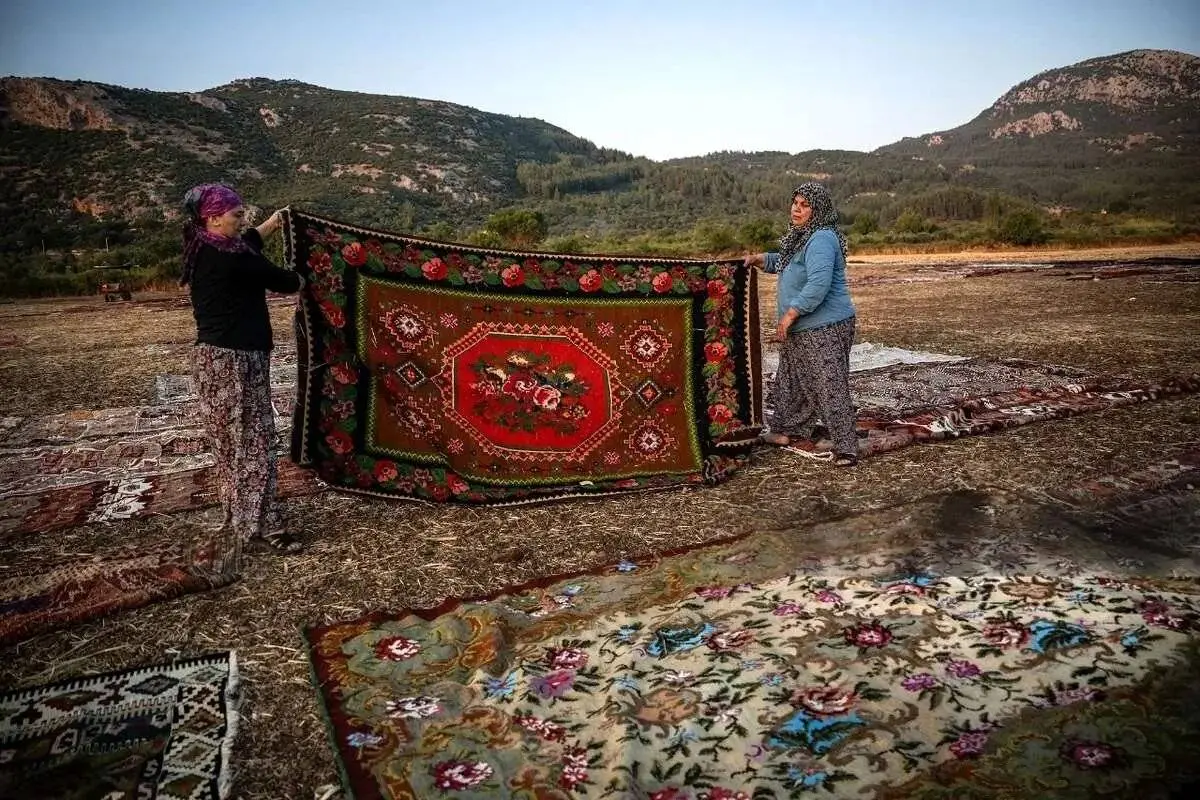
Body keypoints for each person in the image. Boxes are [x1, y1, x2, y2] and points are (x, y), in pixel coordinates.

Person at [181, 183, 306, 555]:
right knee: (255, 443)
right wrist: (320, 265)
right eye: (236, 215)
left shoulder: (207, 246)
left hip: (215, 360)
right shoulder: (233, 259)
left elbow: (250, 241)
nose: (242, 221)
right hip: (235, 362)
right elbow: (288, 282)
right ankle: (262, 523)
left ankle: (243, 517)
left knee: (232, 445)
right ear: (213, 218)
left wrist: (274, 223)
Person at [743, 182, 859, 467]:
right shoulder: (801, 237)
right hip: (802, 326)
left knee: (828, 383)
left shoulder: (821, 238)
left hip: (825, 325)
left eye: (805, 205)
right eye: (795, 202)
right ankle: (786, 430)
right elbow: (786, 262)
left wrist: (790, 315)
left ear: (818, 210)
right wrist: (760, 259)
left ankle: (846, 447)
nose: (797, 208)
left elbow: (818, 284)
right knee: (790, 380)